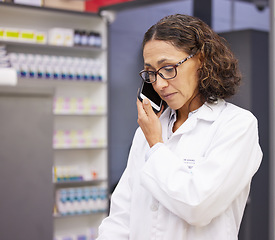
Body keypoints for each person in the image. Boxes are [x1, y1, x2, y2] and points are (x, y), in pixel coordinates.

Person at [97, 14, 262, 240]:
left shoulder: (236, 125)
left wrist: (156, 145)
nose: (160, 83)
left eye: (168, 68)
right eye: (151, 72)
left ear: (201, 59)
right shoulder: (149, 129)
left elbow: (197, 207)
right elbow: (121, 214)